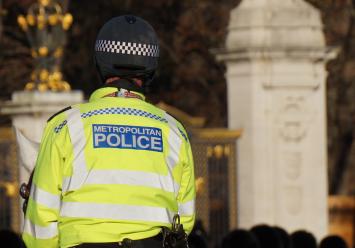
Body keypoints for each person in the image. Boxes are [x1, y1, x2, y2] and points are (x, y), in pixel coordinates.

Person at [22, 15, 196, 248]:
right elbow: (184, 219)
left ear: (99, 62)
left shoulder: (65, 126)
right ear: (151, 67)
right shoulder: (174, 132)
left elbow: (40, 219)